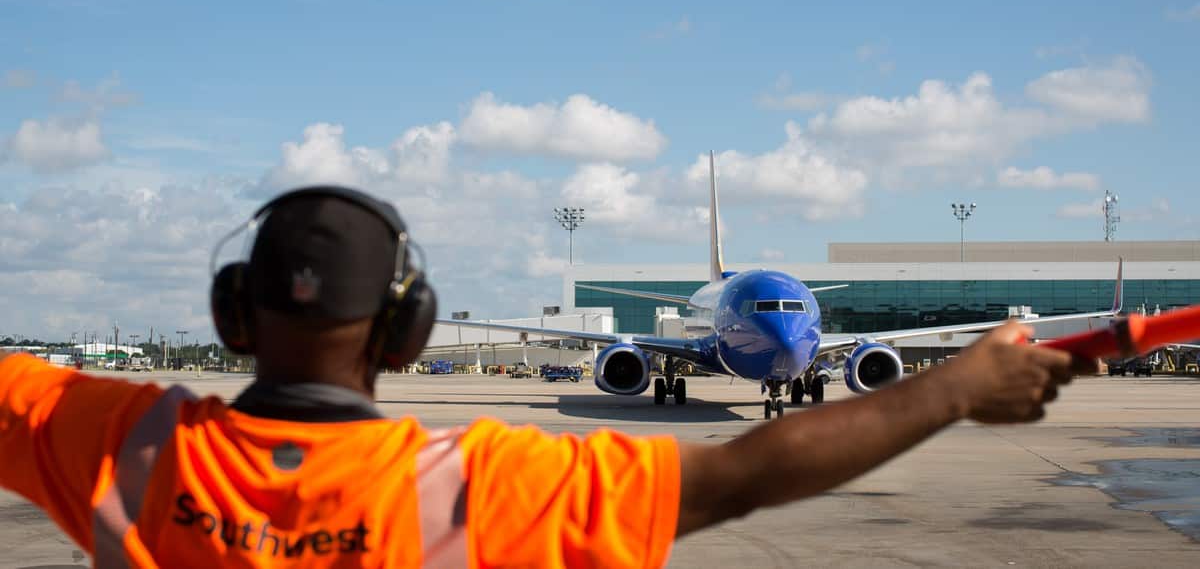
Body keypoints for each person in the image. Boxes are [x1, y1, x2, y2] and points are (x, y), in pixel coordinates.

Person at [0, 186, 1095, 568]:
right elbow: (748, 475)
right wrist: (951, 389)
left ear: (230, 316)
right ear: (410, 331)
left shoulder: (116, 444)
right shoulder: (477, 488)